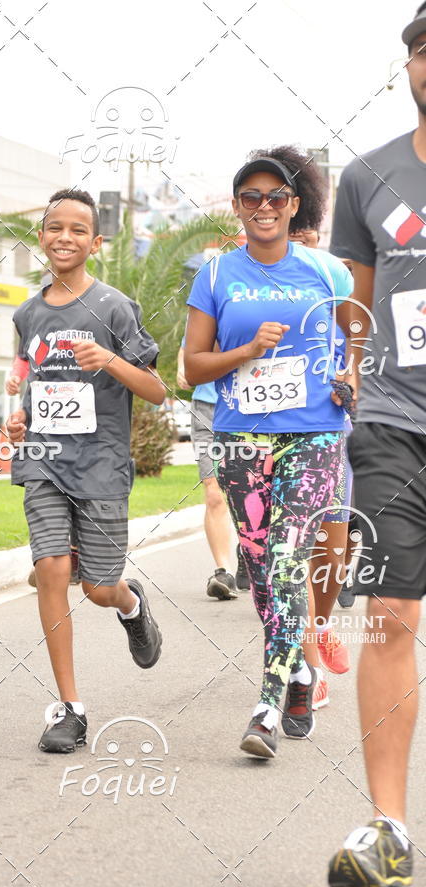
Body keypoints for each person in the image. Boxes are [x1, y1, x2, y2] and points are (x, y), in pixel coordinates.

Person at [184, 146, 354, 759]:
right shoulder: (216, 274)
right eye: (251, 198)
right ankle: (303, 674)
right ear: (238, 207)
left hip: (313, 433)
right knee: (260, 567)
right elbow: (191, 366)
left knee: (286, 555)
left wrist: (353, 378)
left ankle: (266, 704)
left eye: (275, 198)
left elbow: (356, 335)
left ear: (292, 206)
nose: (264, 207)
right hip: (242, 437)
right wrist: (247, 350)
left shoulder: (328, 271)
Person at [6, 188, 165, 753]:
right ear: (42, 236)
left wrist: (113, 361)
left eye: (78, 229)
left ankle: (131, 603)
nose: (64, 237)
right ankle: (69, 708)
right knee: (50, 569)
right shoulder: (28, 313)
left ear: (95, 242)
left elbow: (157, 391)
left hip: (99, 467)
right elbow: (28, 380)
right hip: (44, 464)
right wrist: (19, 416)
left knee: (98, 588)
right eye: (55, 227)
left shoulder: (115, 308)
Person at [327, 5, 426, 887]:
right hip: (395, 421)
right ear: (408, 67)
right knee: (390, 613)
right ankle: (389, 827)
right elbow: (353, 304)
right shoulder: (369, 176)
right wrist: (344, 377)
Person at [289, 227, 353, 704]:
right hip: (278, 439)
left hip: (336, 436)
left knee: (333, 549)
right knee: (292, 554)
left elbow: (369, 357)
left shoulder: (340, 291)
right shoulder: (260, 297)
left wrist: (349, 380)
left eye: (308, 236)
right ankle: (308, 667)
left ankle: (323, 624)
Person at [5, 356, 81, 587]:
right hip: (45, 425)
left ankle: (74, 556)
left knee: (79, 492)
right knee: (45, 488)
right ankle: (49, 559)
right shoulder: (35, 320)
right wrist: (16, 375)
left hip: (86, 426)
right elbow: (25, 354)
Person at [176, 343, 239, 599]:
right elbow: (186, 348)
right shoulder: (203, 311)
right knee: (213, 492)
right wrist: (182, 368)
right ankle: (223, 572)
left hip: (243, 406)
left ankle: (248, 551)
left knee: (249, 494)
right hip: (206, 409)